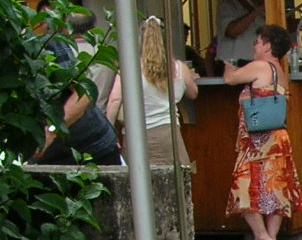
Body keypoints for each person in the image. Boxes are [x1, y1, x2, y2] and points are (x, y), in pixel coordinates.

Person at [221, 24, 301, 240]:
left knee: (243, 187)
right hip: (279, 137)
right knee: (275, 187)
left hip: (257, 139)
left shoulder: (259, 66)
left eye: (257, 42)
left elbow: (230, 79)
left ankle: (261, 237)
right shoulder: (280, 72)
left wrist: (228, 65)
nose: (254, 46)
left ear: (267, 45)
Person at [105, 16, 198, 168]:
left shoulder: (130, 68)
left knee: (137, 185)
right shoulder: (179, 67)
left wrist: (109, 134)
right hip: (169, 134)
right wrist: (190, 77)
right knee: (175, 183)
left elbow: (115, 100)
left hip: (136, 135)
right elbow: (193, 93)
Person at [34, 35, 121, 166]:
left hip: (92, 146)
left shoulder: (47, 44)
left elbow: (83, 95)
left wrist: (52, 131)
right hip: (49, 154)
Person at [215, 0, 265, 67]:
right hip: (232, 65)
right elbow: (233, 31)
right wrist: (258, 9)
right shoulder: (226, 6)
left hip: (256, 63)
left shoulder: (264, 11)